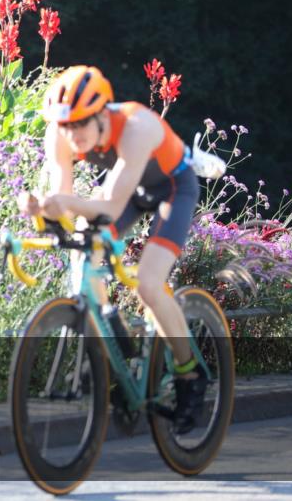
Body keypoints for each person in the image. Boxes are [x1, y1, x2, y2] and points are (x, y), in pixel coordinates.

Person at [18, 65, 211, 434]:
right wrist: (42, 208)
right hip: (128, 191)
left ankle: (191, 374)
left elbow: (106, 207)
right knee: (82, 251)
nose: (72, 136)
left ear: (101, 115)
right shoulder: (59, 134)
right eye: (65, 126)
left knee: (150, 285)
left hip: (172, 187)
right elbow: (66, 197)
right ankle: (113, 341)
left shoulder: (137, 127)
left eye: (79, 125)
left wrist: (61, 203)